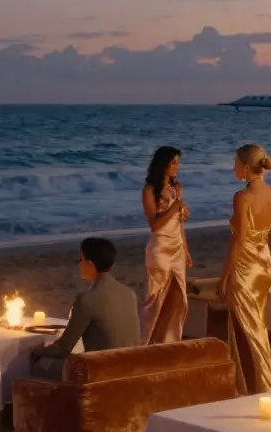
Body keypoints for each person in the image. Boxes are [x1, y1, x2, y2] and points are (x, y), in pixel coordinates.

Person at [218, 144, 271, 396]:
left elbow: (239, 240)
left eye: (235, 163)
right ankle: (250, 384)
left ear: (246, 167)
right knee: (257, 326)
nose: (233, 167)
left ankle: (258, 386)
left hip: (245, 266)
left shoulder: (242, 197)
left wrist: (224, 276)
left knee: (244, 327)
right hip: (264, 264)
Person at [31, 237, 141, 379]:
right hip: (131, 366)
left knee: (41, 364)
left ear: (90, 264)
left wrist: (38, 351)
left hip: (103, 370)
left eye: (81, 259)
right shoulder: (129, 294)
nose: (79, 264)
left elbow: (63, 348)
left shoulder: (86, 299)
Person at [139, 146, 191, 344]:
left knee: (178, 299)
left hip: (177, 247)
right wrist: (175, 207)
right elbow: (154, 224)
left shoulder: (177, 188)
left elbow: (178, 224)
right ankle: (147, 343)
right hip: (160, 248)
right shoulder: (150, 190)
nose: (177, 167)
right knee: (156, 299)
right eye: (174, 163)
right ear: (163, 165)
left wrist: (186, 250)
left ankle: (169, 343)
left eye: (178, 162)